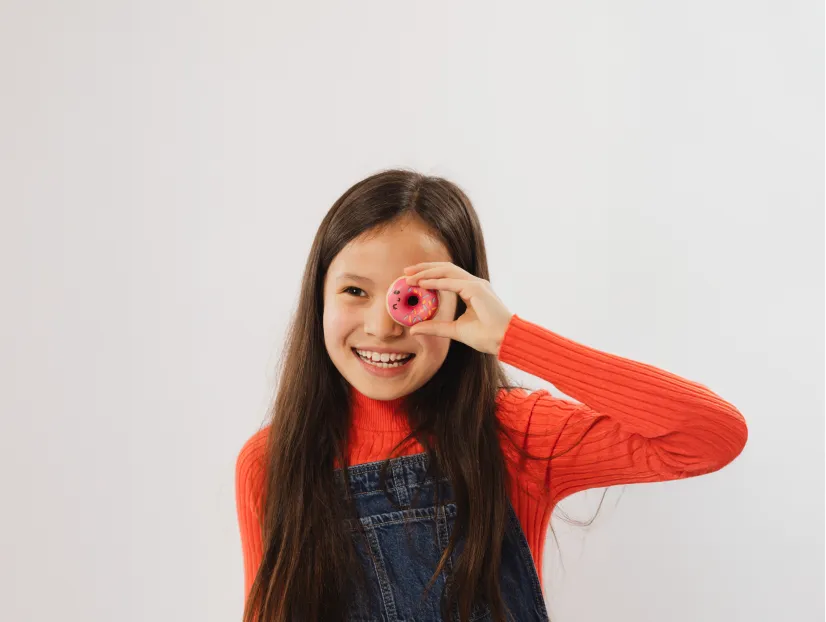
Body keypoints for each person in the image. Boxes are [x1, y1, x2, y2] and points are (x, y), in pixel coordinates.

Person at [235, 168, 748, 622]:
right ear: (317, 298)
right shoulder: (273, 461)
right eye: (354, 291)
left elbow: (710, 435)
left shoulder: (516, 434)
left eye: (414, 299)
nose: (382, 327)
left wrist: (514, 339)